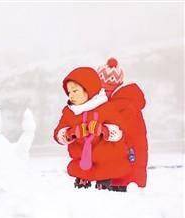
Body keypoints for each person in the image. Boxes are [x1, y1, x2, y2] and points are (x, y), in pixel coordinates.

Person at [53, 66, 131, 190]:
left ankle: (105, 179)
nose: (71, 96)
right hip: (82, 158)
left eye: (75, 91)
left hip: (105, 157)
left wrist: (104, 130)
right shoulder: (70, 112)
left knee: (110, 165)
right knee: (78, 168)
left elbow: (120, 130)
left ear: (89, 89)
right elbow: (58, 133)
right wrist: (70, 133)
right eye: (69, 92)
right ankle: (84, 177)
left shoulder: (105, 108)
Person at [97, 58, 148, 191]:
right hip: (121, 171)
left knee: (120, 206)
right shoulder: (120, 102)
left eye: (103, 90)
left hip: (124, 172)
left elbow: (119, 137)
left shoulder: (122, 105)